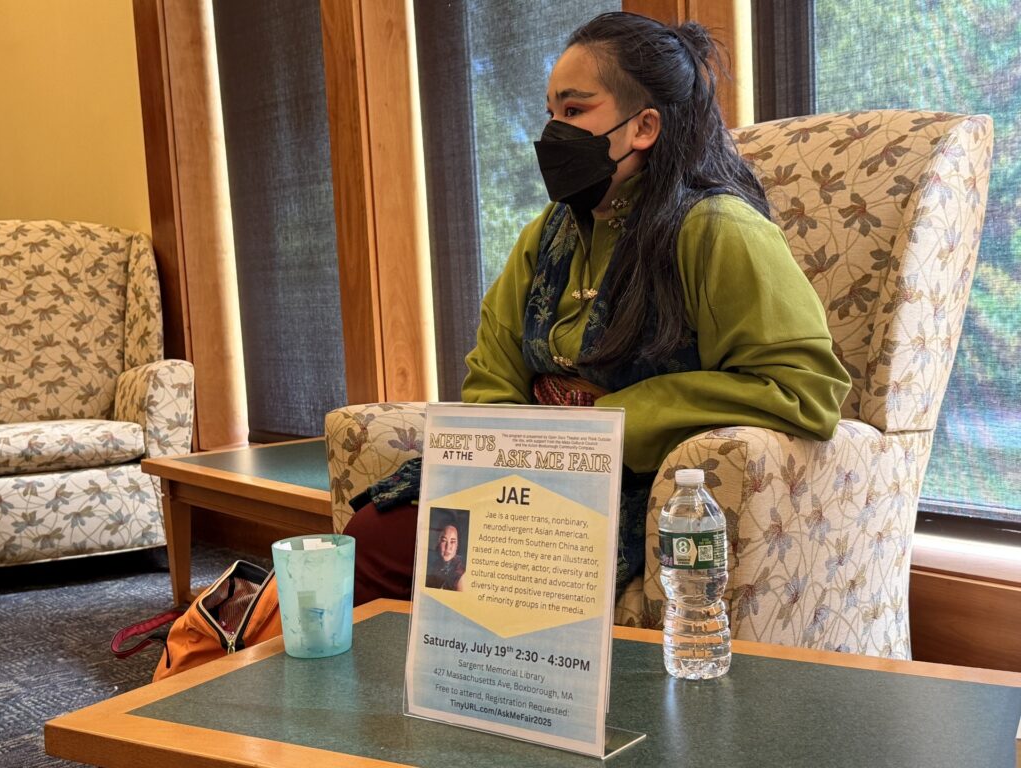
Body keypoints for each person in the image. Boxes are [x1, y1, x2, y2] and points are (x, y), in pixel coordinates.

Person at [346, 11, 850, 607]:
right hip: (529, 484)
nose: (552, 131)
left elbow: (806, 389)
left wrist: (613, 421)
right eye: (551, 112)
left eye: (574, 110)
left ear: (643, 127)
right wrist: (513, 468)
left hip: (630, 491)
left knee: (387, 549)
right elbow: (493, 374)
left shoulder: (717, 230)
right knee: (373, 537)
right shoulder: (547, 232)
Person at [425, 524, 465, 591]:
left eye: (452, 542)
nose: (447, 547)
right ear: (439, 542)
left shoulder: (461, 573)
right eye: (444, 541)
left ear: (457, 545)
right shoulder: (433, 566)